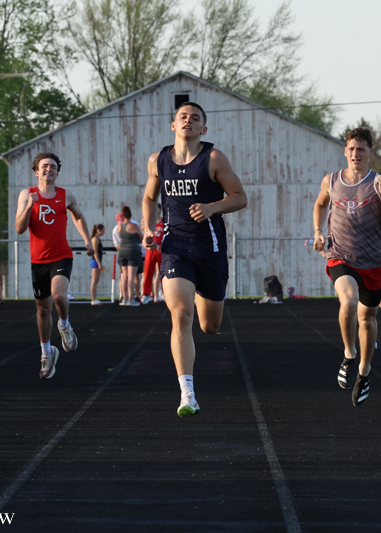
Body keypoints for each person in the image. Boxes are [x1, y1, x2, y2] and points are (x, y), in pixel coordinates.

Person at [142, 101, 248, 417]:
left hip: (211, 250)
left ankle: (204, 294)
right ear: (173, 125)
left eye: (196, 118)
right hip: (175, 249)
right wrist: (149, 228)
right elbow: (149, 197)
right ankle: (187, 392)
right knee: (180, 314)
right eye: (183, 117)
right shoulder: (158, 161)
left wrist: (212, 207)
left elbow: (240, 197)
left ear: (203, 129)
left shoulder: (213, 158)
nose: (188, 121)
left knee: (210, 325)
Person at [313, 127, 381, 407]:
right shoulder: (332, 180)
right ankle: (349, 354)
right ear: (345, 151)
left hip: (374, 261)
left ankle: (364, 371)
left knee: (368, 320)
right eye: (351, 148)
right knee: (348, 301)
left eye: (361, 149)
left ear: (370, 153)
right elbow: (319, 204)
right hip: (341, 255)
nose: (355, 153)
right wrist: (318, 231)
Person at [15, 152, 93, 379]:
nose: (48, 169)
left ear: (57, 172)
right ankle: (47, 353)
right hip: (38, 260)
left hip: (61, 255)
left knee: (58, 295)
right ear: (36, 171)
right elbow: (19, 228)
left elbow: (78, 217)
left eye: (52, 166)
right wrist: (29, 206)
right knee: (42, 309)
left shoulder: (65, 195)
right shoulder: (26, 195)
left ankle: (65, 325)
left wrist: (87, 240)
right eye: (44, 166)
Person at [117, 215, 142, 306]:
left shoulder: (119, 227)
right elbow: (141, 238)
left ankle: (124, 298)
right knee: (131, 276)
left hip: (122, 251)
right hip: (132, 251)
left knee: (124, 276)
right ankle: (131, 298)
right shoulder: (134, 226)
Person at [141, 210, 164, 304]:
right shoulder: (149, 221)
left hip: (160, 249)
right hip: (151, 249)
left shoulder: (164, 221)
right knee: (147, 272)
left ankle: (164, 293)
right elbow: (143, 230)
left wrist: (162, 245)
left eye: (158, 209)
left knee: (163, 272)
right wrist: (143, 224)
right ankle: (146, 294)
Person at [90, 224, 105, 305]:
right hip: (95, 261)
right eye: (103, 230)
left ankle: (94, 298)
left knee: (96, 281)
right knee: (94, 281)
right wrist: (99, 263)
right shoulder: (95, 239)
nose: (104, 232)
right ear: (98, 230)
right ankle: (93, 299)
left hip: (97, 261)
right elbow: (95, 252)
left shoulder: (98, 239)